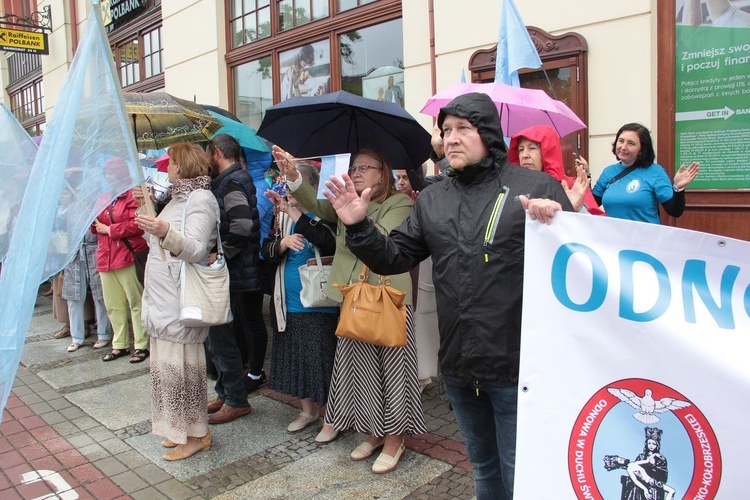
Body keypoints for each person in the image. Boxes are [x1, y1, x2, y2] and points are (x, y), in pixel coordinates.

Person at [319, 92, 574, 498]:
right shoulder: (435, 198)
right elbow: (394, 256)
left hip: (517, 367)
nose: (451, 138)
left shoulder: (536, 187)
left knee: (521, 471)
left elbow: (574, 270)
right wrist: (359, 226)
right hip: (458, 365)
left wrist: (558, 222)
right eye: (446, 130)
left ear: (488, 134)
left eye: (463, 129)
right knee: (484, 467)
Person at [273, 145, 425, 475]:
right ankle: (373, 431)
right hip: (353, 299)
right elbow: (314, 204)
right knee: (363, 373)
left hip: (388, 300)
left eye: (365, 168)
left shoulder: (399, 202)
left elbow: (386, 241)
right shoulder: (341, 200)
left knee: (394, 374)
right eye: (354, 167)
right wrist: (294, 175)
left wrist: (358, 215)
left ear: (382, 174)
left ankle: (395, 438)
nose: (356, 172)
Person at [135, 142, 217, 461]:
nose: (165, 168)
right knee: (168, 371)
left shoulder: (200, 200)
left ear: (180, 166)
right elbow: (157, 242)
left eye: (169, 163)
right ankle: (180, 429)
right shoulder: (176, 199)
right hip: (163, 301)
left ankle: (194, 434)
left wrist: (165, 229)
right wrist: (148, 213)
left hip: (179, 302)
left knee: (181, 373)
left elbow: (196, 248)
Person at [261, 163, 339, 443]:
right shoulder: (280, 216)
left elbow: (327, 241)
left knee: (321, 360)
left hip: (320, 302)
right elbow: (266, 251)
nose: (290, 192)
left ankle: (333, 416)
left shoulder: (323, 212)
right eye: (287, 184)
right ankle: (308, 410)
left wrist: (295, 212)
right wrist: (282, 243)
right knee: (295, 358)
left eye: (296, 185)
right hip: (288, 302)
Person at [205, 134, 264, 424]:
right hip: (239, 268)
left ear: (217, 152)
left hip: (238, 268)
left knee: (227, 334)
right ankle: (227, 393)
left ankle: (235, 398)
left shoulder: (232, 181)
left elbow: (241, 224)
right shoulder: (230, 179)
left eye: (208, 153)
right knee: (224, 333)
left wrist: (222, 254)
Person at [590, 123, 699, 224]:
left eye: (631, 143)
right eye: (621, 141)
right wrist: (585, 177)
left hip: (644, 241)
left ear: (642, 150)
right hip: (614, 240)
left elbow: (674, 211)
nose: (623, 147)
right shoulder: (608, 172)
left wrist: (678, 188)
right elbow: (591, 205)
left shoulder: (655, 172)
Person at [93, 186, 149, 363]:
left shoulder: (132, 196)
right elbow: (95, 227)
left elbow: (138, 224)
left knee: (136, 301)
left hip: (127, 255)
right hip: (106, 256)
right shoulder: (103, 196)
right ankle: (120, 344)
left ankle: (141, 344)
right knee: (113, 304)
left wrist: (111, 230)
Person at [509, 124, 605, 215]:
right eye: (521, 149)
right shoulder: (511, 186)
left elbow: (598, 228)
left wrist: (577, 209)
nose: (524, 155)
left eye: (532, 148)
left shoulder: (572, 185)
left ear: (548, 152)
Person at [62, 232, 112, 352]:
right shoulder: (69, 212)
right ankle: (76, 337)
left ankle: (104, 333)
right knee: (74, 297)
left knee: (100, 294)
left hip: (96, 250)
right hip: (73, 253)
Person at [604, 427, 675, 500]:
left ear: (657, 445)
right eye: (649, 443)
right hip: (645, 484)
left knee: (671, 491)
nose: (651, 446)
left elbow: (663, 474)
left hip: (655, 482)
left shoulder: (661, 459)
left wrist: (653, 464)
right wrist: (645, 488)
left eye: (653, 444)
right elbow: (636, 478)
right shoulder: (639, 458)